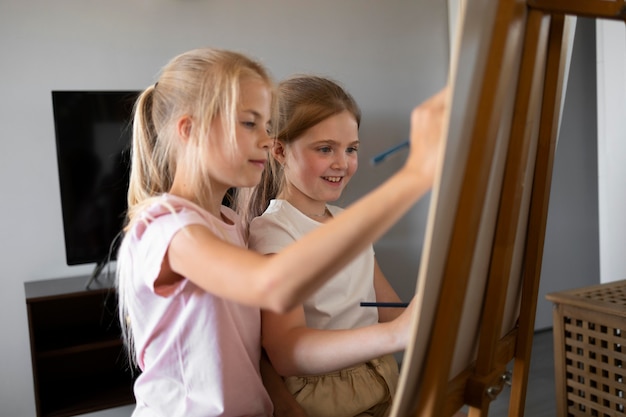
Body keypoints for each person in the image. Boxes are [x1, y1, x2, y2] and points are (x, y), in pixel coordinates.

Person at [115, 47, 447, 417]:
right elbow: (271, 286)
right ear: (189, 130)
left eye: (267, 125)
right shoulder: (167, 227)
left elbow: (254, 347)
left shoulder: (231, 223)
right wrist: (416, 175)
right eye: (248, 123)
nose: (264, 138)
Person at [245, 75, 412, 417]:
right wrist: (395, 334)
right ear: (278, 150)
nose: (342, 163)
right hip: (327, 395)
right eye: (325, 149)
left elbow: (387, 306)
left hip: (381, 374)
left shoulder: (348, 220)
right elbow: (286, 350)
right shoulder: (274, 233)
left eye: (351, 149)